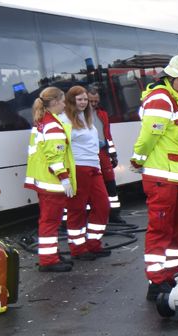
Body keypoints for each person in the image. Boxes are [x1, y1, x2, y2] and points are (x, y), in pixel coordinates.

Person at [130, 55, 178, 300]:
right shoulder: (161, 99)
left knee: (176, 229)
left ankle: (169, 273)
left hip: (176, 178)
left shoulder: (174, 100)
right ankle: (156, 281)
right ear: (170, 77)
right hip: (163, 178)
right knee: (161, 229)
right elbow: (150, 134)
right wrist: (137, 159)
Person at [24, 87, 75, 272]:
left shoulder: (42, 122)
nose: (64, 104)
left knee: (49, 220)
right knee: (50, 221)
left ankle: (51, 254)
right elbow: (55, 156)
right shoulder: (52, 125)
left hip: (43, 180)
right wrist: (64, 178)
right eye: (62, 101)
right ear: (54, 102)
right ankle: (48, 260)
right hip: (52, 182)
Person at [61, 86, 111, 261]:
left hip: (93, 167)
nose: (83, 103)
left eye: (85, 99)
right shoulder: (65, 119)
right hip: (78, 168)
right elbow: (60, 148)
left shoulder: (87, 117)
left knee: (103, 205)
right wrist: (64, 175)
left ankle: (93, 243)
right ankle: (78, 248)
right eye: (79, 99)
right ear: (71, 100)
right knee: (77, 209)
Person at [88, 87, 126, 224]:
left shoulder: (102, 114)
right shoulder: (78, 115)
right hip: (89, 154)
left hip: (103, 152)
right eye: (90, 101)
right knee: (92, 186)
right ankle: (93, 216)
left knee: (110, 183)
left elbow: (107, 136)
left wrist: (113, 154)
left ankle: (115, 215)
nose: (93, 104)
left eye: (95, 101)